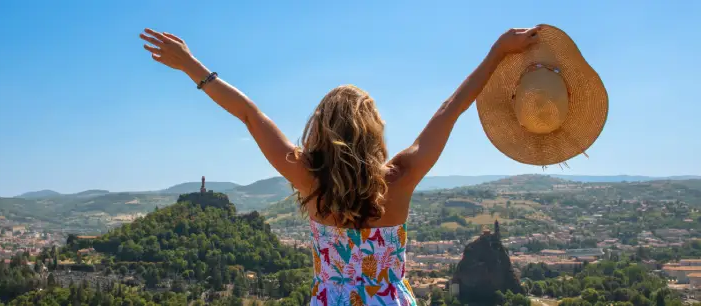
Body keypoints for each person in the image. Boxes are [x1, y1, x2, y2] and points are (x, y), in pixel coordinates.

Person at [140, 25, 541, 306]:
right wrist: (498, 51)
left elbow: (250, 114)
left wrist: (191, 64)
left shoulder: (308, 178)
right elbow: (449, 111)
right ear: (374, 131)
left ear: (320, 127)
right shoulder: (399, 180)